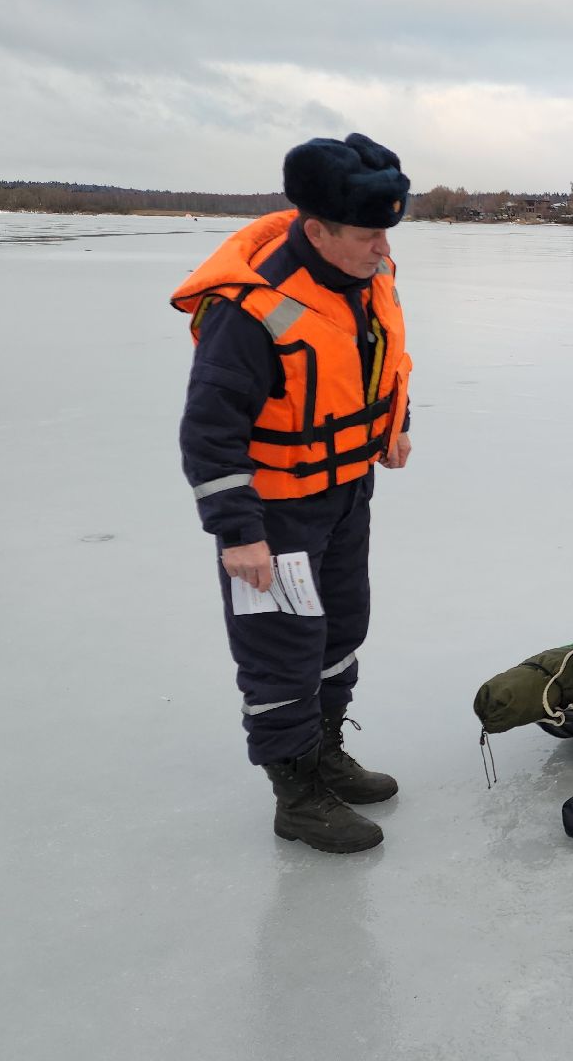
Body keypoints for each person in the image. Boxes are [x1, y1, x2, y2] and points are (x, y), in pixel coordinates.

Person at [172, 133, 415, 854]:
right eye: (370, 234)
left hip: (345, 492)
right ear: (318, 230)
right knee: (281, 648)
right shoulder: (250, 310)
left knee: (341, 629)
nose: (383, 248)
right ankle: (296, 794)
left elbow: (382, 357)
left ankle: (326, 752)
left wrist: (392, 427)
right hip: (273, 516)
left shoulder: (365, 274)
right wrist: (237, 531)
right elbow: (209, 431)